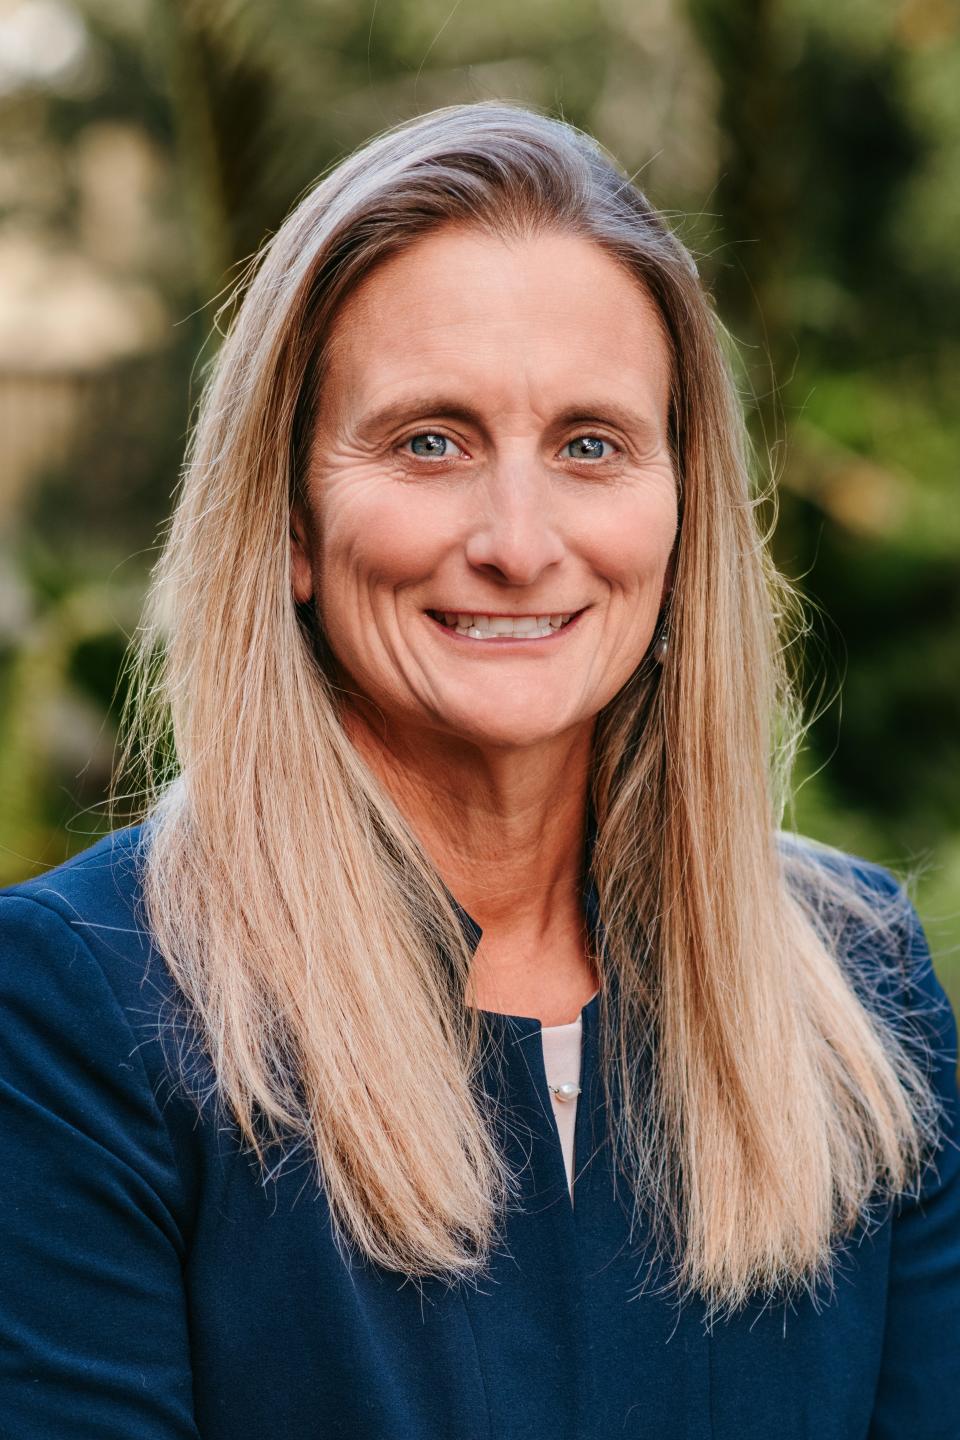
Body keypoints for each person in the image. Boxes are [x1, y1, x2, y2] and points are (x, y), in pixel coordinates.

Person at [1, 101, 957, 1440]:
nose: (518, 541)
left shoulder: (858, 996)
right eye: (429, 442)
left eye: (590, 445)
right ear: (287, 516)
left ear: (681, 511)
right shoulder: (79, 1014)